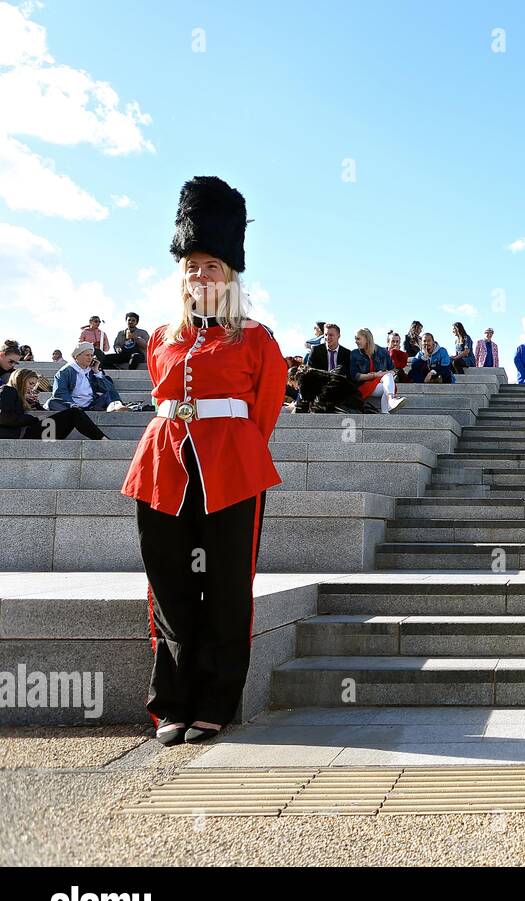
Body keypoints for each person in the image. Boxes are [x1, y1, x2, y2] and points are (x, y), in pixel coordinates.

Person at [121, 175, 285, 746]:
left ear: (230, 274)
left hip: (232, 469)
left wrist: (231, 451)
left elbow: (264, 411)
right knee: (168, 583)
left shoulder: (256, 338)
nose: (200, 274)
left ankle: (215, 700)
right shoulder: (162, 337)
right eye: (192, 265)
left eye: (211, 265)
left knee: (226, 585)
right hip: (162, 466)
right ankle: (172, 702)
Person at [1, 368, 107, 440]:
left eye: (33, 385)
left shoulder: (21, 397)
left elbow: (45, 415)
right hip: (23, 434)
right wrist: (33, 418)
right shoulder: (7, 390)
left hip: (32, 432)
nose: (31, 388)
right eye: (30, 383)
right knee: (74, 413)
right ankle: (103, 439)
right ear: (20, 380)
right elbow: (5, 417)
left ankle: (102, 438)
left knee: (73, 415)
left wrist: (34, 404)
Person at [301, 323, 362, 411]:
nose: (327, 337)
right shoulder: (316, 351)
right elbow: (310, 373)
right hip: (321, 387)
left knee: (341, 370)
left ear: (338, 336)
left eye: (331, 335)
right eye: (326, 335)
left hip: (339, 388)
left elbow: (350, 376)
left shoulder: (347, 353)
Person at [49, 343, 124, 411]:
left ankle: (116, 407)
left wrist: (97, 372)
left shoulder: (92, 371)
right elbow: (60, 393)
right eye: (87, 355)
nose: (90, 358)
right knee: (52, 402)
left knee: (110, 393)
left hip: (91, 405)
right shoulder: (65, 371)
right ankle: (75, 409)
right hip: (71, 404)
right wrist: (72, 404)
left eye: (91, 355)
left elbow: (109, 388)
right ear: (77, 356)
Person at [349, 328, 404, 413]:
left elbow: (393, 370)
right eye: (355, 339)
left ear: (367, 338)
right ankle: (391, 401)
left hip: (381, 383)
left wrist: (386, 373)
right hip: (364, 385)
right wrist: (375, 375)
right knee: (389, 384)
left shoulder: (383, 352)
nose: (356, 341)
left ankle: (387, 410)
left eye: (358, 339)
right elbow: (355, 376)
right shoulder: (354, 354)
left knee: (387, 382)